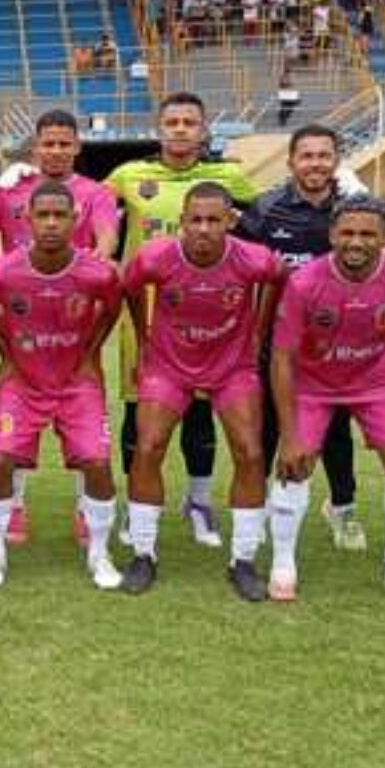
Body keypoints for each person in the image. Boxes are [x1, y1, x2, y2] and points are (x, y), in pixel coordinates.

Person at [105, 92, 261, 551]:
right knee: (139, 415)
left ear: (204, 129)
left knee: (201, 413)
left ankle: (198, 502)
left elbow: (267, 222)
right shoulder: (130, 176)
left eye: (189, 122)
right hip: (148, 319)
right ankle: (137, 512)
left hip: (216, 320)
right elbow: (81, 207)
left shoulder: (228, 177)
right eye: (171, 121)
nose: (179, 129)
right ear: (158, 128)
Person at [269, 195, 385, 605]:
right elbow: (282, 358)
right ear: (331, 235)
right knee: (295, 463)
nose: (356, 242)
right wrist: (289, 435)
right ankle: (283, 565)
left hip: (376, 381)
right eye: (347, 232)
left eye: (367, 234)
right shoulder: (305, 281)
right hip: (313, 382)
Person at [119, 182, 283, 600]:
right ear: (182, 222)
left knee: (250, 450)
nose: (205, 229)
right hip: (169, 365)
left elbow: (277, 278)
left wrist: (259, 332)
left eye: (214, 220)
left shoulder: (253, 259)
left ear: (230, 221)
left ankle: (243, 560)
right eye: (196, 220)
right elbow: (129, 287)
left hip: (232, 366)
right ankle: (143, 553)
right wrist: (144, 337)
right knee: (149, 446)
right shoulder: (156, 256)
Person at [0, 181, 124, 590]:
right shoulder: (3, 270)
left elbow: (112, 310)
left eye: (61, 215)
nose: (53, 223)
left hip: (76, 383)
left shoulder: (97, 272)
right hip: (22, 382)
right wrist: (7, 354)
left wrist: (91, 354)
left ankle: (99, 552)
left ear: (77, 221)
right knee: (2, 460)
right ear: (28, 220)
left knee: (96, 463)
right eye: (44, 215)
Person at [0, 108, 123, 545]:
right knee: (14, 424)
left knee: (86, 422)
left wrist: (101, 261)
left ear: (78, 147)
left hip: (75, 326)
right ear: (36, 147)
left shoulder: (94, 193)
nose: (56, 151)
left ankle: (88, 510)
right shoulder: (14, 191)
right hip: (22, 324)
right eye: (49, 143)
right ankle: (12, 507)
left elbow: (106, 236)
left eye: (65, 143)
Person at [237, 124, 365, 551]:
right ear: (291, 162)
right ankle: (260, 512)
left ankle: (342, 509)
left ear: (336, 160)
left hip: (337, 346)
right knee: (267, 430)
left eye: (324, 155)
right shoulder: (266, 210)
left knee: (336, 433)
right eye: (306, 156)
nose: (315, 163)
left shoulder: (352, 211)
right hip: (276, 346)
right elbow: (239, 271)